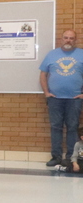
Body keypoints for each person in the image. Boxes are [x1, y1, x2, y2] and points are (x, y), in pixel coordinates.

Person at [40, 30, 83, 166]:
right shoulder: (52, 54)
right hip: (55, 99)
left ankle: (71, 158)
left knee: (72, 127)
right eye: (66, 37)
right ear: (61, 39)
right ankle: (56, 157)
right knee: (56, 127)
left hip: (75, 99)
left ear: (75, 40)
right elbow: (42, 75)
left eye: (71, 38)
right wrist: (46, 92)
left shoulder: (81, 54)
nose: (68, 40)